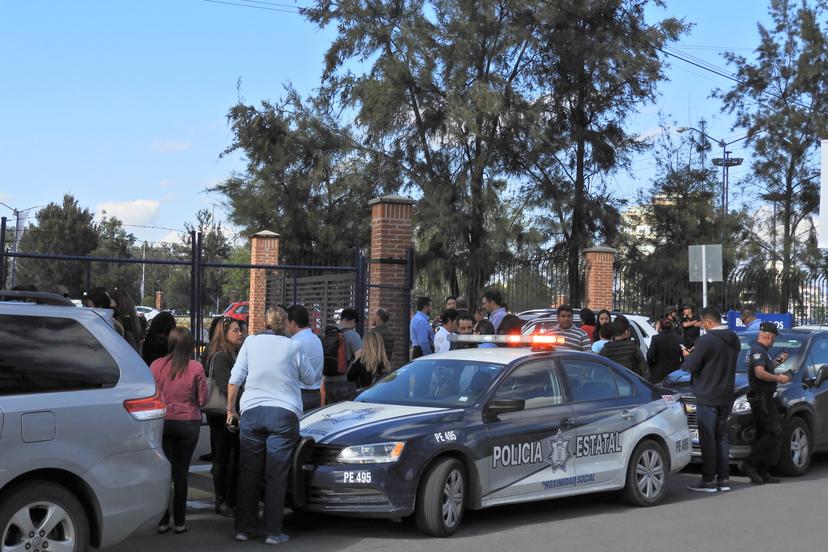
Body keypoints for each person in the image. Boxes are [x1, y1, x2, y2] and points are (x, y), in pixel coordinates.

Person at [226, 326, 316, 545]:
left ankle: (244, 529)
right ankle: (272, 532)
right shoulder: (294, 346)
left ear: (265, 324)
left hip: (252, 411)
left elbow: (235, 380)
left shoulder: (250, 343)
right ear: (285, 325)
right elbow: (310, 377)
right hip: (284, 413)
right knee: (276, 473)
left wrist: (231, 410)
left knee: (249, 472)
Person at [150, 328, 208, 534]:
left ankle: (163, 520)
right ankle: (180, 522)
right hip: (188, 422)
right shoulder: (196, 367)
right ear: (190, 346)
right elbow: (203, 399)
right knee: (181, 472)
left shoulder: (156, 366)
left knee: (164, 471)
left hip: (163, 422)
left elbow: (150, 394)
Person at [681, 307, 741, 493]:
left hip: (707, 394)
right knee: (722, 437)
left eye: (703, 324)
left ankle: (708, 480)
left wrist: (687, 356)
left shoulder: (706, 340)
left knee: (707, 437)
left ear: (707, 322)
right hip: (726, 393)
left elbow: (691, 365)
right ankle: (723, 479)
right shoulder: (734, 339)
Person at [741, 322, 791, 485]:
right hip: (762, 398)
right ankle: (750, 464)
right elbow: (760, 373)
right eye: (775, 337)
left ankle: (762, 471)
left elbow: (764, 369)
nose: (775, 340)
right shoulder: (758, 350)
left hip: (764, 397)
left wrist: (777, 362)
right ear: (770, 336)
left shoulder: (762, 351)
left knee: (763, 434)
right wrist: (779, 378)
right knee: (774, 433)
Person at [204, 317, 243, 516]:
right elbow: (226, 385)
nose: (240, 333)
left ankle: (226, 498)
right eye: (235, 330)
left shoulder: (228, 354)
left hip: (223, 413)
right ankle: (223, 500)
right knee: (224, 456)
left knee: (226, 455)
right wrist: (234, 407)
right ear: (224, 333)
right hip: (223, 413)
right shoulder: (221, 357)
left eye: (240, 330)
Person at [287, 304, 325, 412]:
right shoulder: (316, 339)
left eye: (286, 323)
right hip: (316, 393)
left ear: (293, 323)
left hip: (300, 393)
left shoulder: (295, 342)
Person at [646, 318, 684, 383]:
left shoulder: (656, 338)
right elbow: (683, 356)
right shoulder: (679, 339)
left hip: (658, 372)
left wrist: (652, 366)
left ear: (660, 327)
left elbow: (650, 356)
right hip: (674, 373)